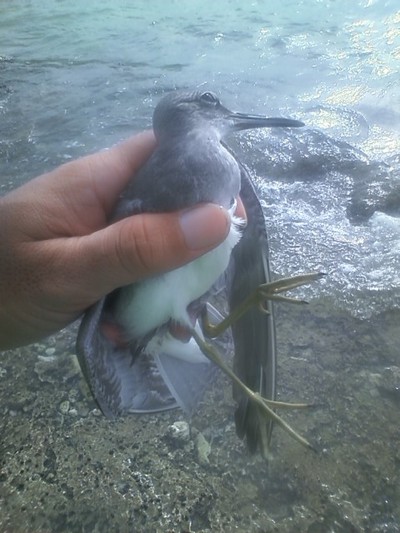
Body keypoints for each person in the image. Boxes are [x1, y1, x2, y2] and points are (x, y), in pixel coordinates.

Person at [0, 131, 245, 350]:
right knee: (198, 338)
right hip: (135, 318)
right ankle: (250, 389)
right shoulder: (167, 164)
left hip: (161, 307)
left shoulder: (215, 163)